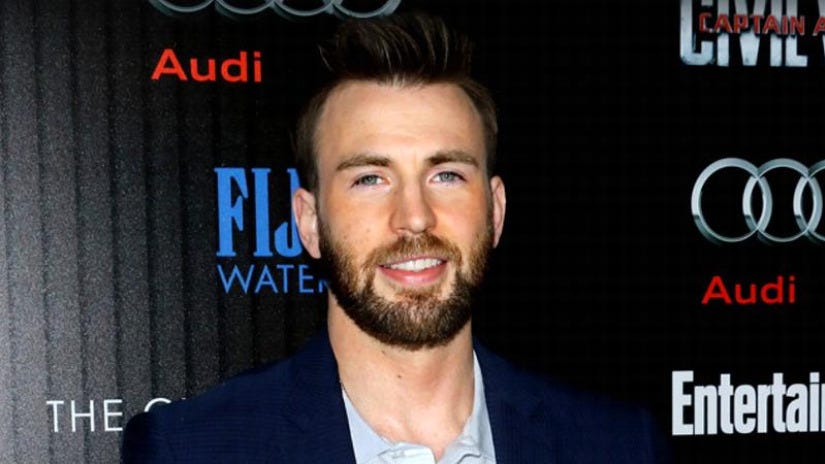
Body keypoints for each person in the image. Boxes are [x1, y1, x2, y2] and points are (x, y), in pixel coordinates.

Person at [122, 11, 670, 463]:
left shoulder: (617, 445)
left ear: (496, 210)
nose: (415, 217)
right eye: (370, 179)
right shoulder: (191, 450)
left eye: (446, 175)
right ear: (309, 222)